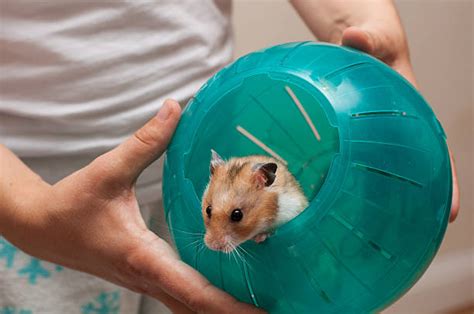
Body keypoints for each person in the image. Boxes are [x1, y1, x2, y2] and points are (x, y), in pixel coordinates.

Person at [0, 0, 460, 313]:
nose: (214, 238)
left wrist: (366, 27)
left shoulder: (261, 186)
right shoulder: (220, 212)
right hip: (33, 192)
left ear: (265, 179)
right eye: (214, 218)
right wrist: (30, 213)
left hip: (206, 127)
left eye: (233, 218)